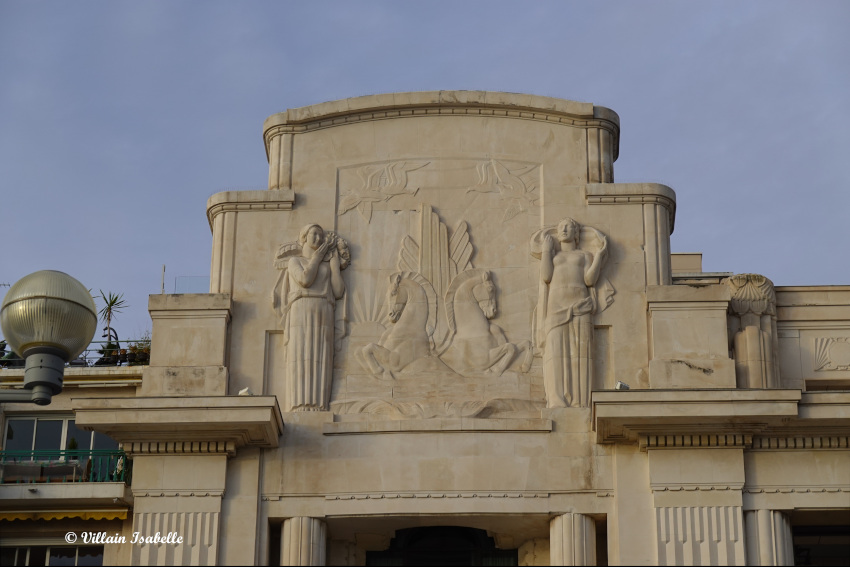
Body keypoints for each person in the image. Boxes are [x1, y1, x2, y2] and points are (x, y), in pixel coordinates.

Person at [536, 218, 608, 408]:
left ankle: (580, 401)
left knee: (580, 353)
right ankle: (557, 400)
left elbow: (589, 280)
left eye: (568, 226)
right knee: (555, 352)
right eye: (560, 227)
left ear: (576, 233)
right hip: (556, 308)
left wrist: (599, 256)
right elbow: (546, 276)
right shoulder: (554, 256)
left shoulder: (584, 255)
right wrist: (546, 250)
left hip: (580, 306)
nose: (564, 229)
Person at [281, 224, 346, 411]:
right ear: (304, 237)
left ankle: (319, 404)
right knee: (301, 354)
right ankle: (299, 404)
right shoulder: (295, 261)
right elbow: (305, 279)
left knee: (321, 355)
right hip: (301, 308)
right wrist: (318, 256)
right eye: (314, 234)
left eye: (321, 235)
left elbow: (338, 291)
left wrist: (334, 265)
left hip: (324, 309)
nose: (318, 238)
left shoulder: (325, 264)